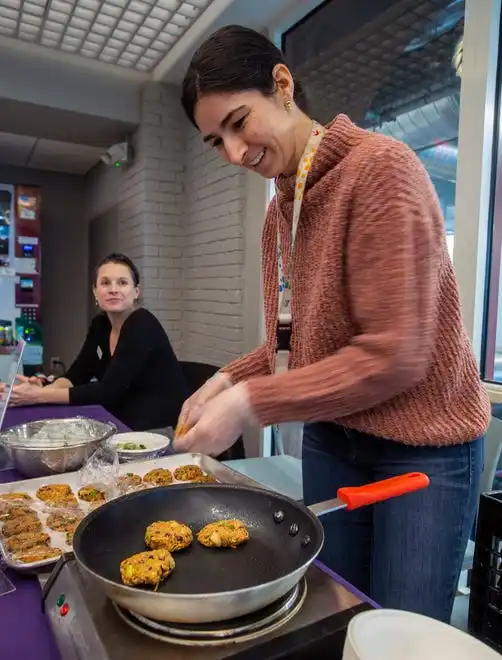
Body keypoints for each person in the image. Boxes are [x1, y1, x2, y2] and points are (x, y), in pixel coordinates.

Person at [173, 25, 490, 623]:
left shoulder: (380, 172)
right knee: (336, 612)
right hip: (333, 439)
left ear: (282, 84)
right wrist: (224, 379)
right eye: (216, 141)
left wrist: (247, 404)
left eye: (239, 123)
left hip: (423, 448)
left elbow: (395, 355)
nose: (236, 154)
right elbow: (293, 344)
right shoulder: (280, 213)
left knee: (398, 630)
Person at [10, 253, 188, 431]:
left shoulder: (142, 324)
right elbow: (76, 376)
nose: (113, 289)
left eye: (122, 282)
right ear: (95, 291)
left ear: (136, 292)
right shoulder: (100, 325)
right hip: (120, 418)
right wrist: (44, 388)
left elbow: (107, 392)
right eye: (105, 283)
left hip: (159, 429)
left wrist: (39, 396)